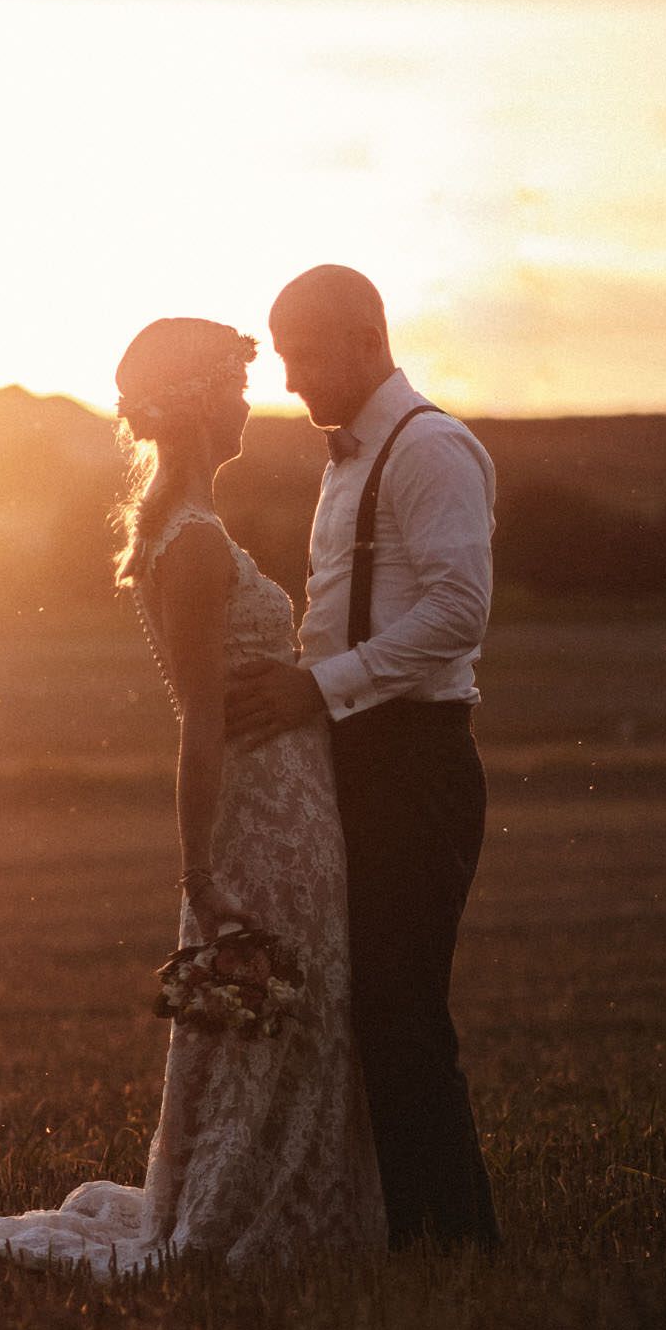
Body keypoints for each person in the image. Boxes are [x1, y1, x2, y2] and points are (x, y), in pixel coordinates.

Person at [0, 316, 386, 1281]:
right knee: (285, 1021)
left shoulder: (179, 525)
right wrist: (201, 872)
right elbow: (199, 721)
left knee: (285, 1023)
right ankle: (263, 1210)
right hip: (268, 818)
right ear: (206, 401)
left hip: (281, 803)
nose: (252, 400)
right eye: (237, 384)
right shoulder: (197, 540)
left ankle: (285, 1197)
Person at [226, 265, 501, 1251]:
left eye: (302, 357)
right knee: (375, 1004)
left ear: (365, 334)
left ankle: (459, 1244)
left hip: (416, 762)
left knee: (402, 1004)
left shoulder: (429, 450)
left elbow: (459, 616)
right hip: (358, 760)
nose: (291, 384)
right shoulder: (349, 461)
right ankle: (427, 1232)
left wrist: (323, 686)